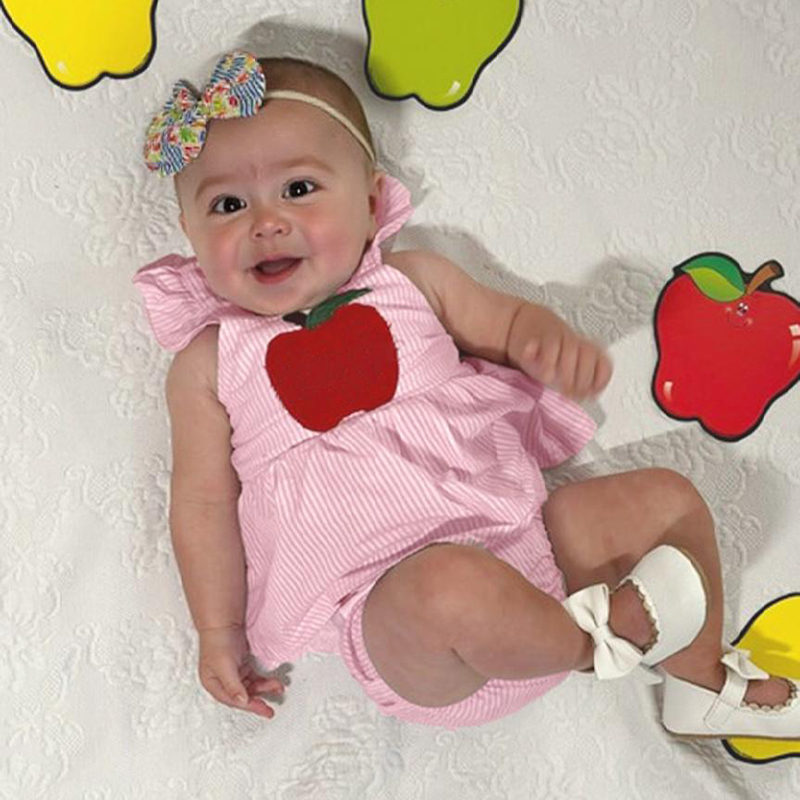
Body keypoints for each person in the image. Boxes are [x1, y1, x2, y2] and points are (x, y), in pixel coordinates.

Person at [134, 50, 799, 735]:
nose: (266, 222)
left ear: (370, 202)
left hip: (531, 545)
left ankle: (700, 681)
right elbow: (203, 502)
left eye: (299, 189)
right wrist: (218, 630)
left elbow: (506, 326)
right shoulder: (210, 362)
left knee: (668, 500)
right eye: (227, 205)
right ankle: (598, 644)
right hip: (398, 619)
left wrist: (544, 342)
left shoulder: (413, 281)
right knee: (446, 586)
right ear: (190, 233)